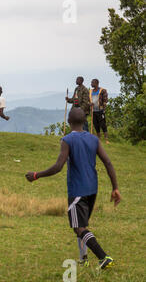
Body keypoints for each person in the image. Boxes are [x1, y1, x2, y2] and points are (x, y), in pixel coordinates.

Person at [25, 108, 121, 270]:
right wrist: (115, 188)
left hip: (78, 190)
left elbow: (58, 166)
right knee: (81, 224)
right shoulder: (94, 139)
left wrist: (36, 175)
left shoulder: (67, 140)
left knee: (79, 227)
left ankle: (103, 257)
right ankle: (83, 259)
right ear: (85, 122)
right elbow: (108, 163)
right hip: (92, 188)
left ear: (68, 122)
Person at [89, 79, 109, 143]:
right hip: (93, 110)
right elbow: (87, 100)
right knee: (96, 124)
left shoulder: (102, 90)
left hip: (100, 110)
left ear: (96, 83)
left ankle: (106, 139)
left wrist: (103, 109)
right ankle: (99, 138)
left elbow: (105, 100)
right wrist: (89, 103)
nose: (91, 84)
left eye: (92, 83)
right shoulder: (90, 91)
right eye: (91, 82)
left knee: (103, 124)